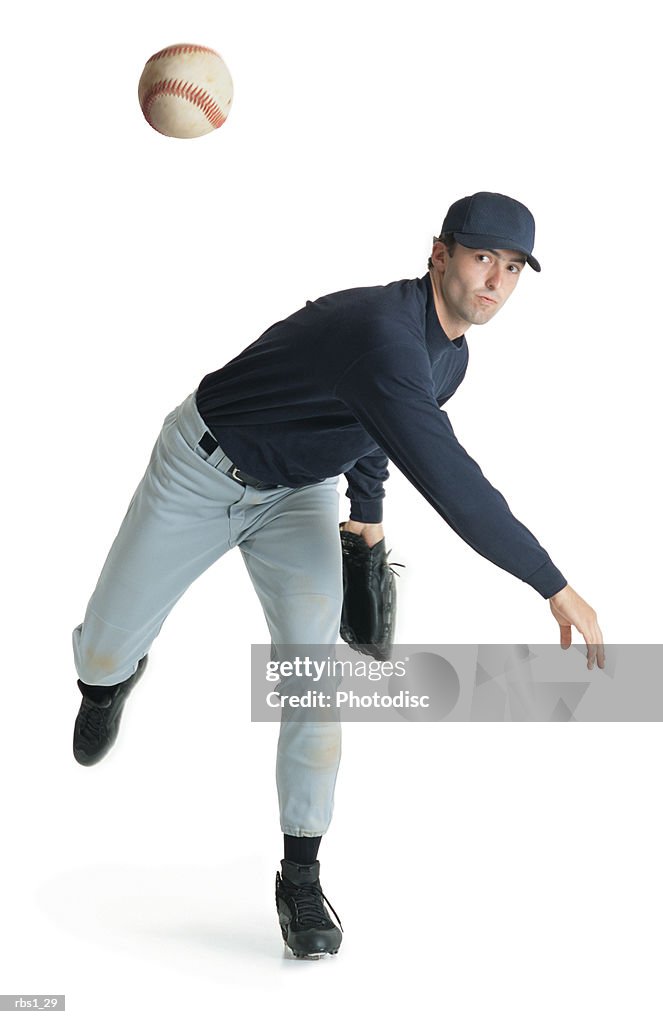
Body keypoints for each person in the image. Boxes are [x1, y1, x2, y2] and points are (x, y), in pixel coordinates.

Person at [71, 191, 605, 960]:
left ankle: (299, 875)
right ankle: (104, 682)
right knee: (104, 648)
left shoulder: (448, 355)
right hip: (200, 470)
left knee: (313, 680)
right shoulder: (382, 333)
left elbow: (372, 428)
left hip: (296, 498)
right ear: (439, 253)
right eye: (482, 255)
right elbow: (449, 477)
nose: (494, 279)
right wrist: (551, 582)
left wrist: (367, 515)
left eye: (513, 266)